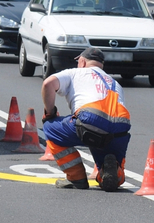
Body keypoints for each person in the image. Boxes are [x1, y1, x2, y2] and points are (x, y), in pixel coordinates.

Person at [41, 47, 130, 191]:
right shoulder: (115, 83)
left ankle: (76, 178)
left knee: (50, 127)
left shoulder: (76, 72)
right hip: (120, 127)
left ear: (82, 62)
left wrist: (50, 113)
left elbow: (48, 84)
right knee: (104, 152)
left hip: (90, 119)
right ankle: (111, 172)